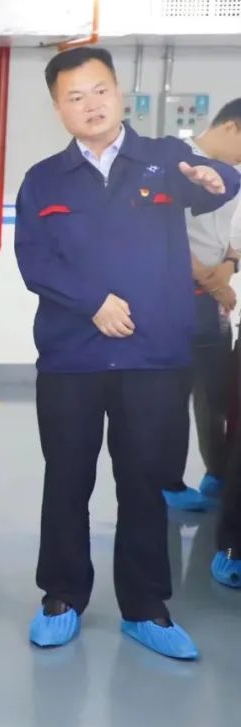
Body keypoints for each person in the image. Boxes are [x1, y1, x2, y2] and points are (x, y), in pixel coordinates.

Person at [14, 46, 239, 660]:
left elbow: (218, 180)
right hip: (72, 359)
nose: (91, 105)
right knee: (67, 480)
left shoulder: (164, 159)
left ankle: (146, 608)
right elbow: (35, 261)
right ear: (58, 108)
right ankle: (61, 596)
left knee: (143, 484)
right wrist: (92, 303)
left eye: (100, 90)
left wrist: (218, 179)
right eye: (75, 97)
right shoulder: (44, 179)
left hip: (153, 359)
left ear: (119, 94)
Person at [161, 99, 241, 513]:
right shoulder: (176, 162)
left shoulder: (233, 174)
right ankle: (169, 483)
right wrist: (211, 283)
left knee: (216, 393)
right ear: (231, 127)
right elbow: (166, 234)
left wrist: (227, 268)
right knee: (171, 396)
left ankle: (218, 473)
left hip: (213, 298)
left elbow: (232, 233)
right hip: (176, 296)